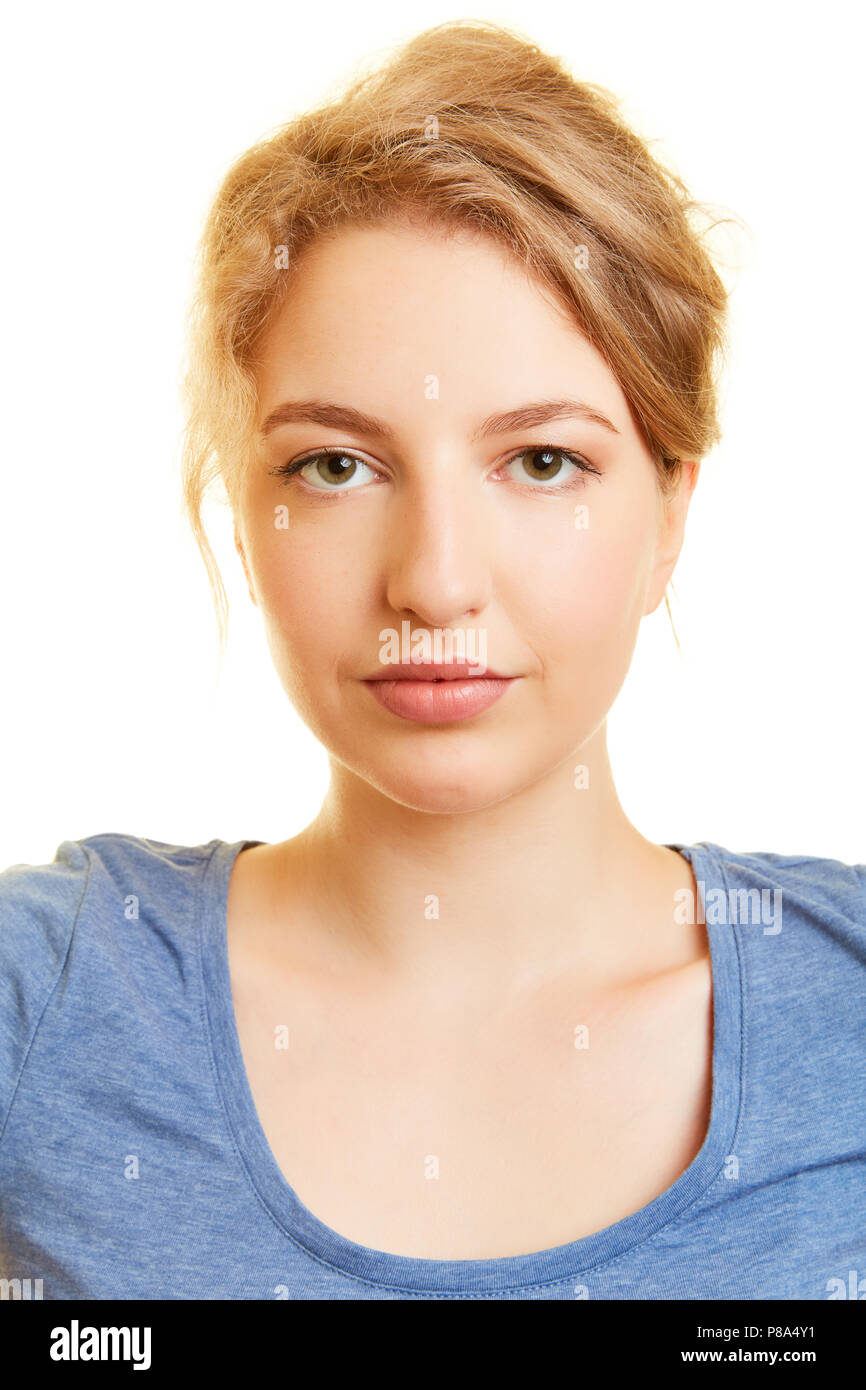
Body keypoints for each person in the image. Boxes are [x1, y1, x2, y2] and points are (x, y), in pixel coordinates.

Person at [1, 20, 863, 1302]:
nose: (435, 579)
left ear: (669, 515)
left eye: (542, 461)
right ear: (244, 518)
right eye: (334, 466)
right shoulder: (49, 994)